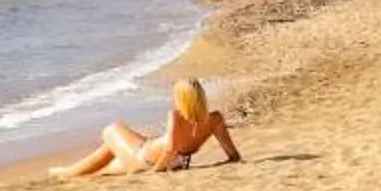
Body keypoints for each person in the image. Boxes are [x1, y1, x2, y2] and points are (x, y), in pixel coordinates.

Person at [53, 74, 241, 179]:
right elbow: (233, 155)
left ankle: (66, 173)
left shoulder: (177, 116)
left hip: (146, 159)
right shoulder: (215, 119)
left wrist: (154, 173)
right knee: (106, 155)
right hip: (165, 160)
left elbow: (170, 149)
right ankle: (67, 172)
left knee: (112, 129)